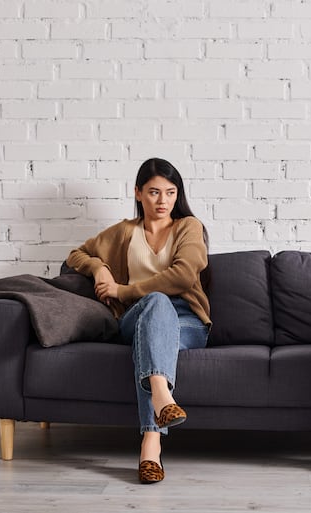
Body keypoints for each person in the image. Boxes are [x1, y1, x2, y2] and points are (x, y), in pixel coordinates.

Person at [66, 157, 211, 484]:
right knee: (154, 306)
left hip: (186, 320)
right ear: (138, 193)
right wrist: (99, 268)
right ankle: (162, 399)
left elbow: (184, 276)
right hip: (136, 317)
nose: (163, 201)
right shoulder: (123, 232)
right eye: (154, 192)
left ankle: (151, 445)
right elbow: (76, 255)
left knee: (158, 309)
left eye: (171, 193)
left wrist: (124, 289)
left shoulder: (189, 227)